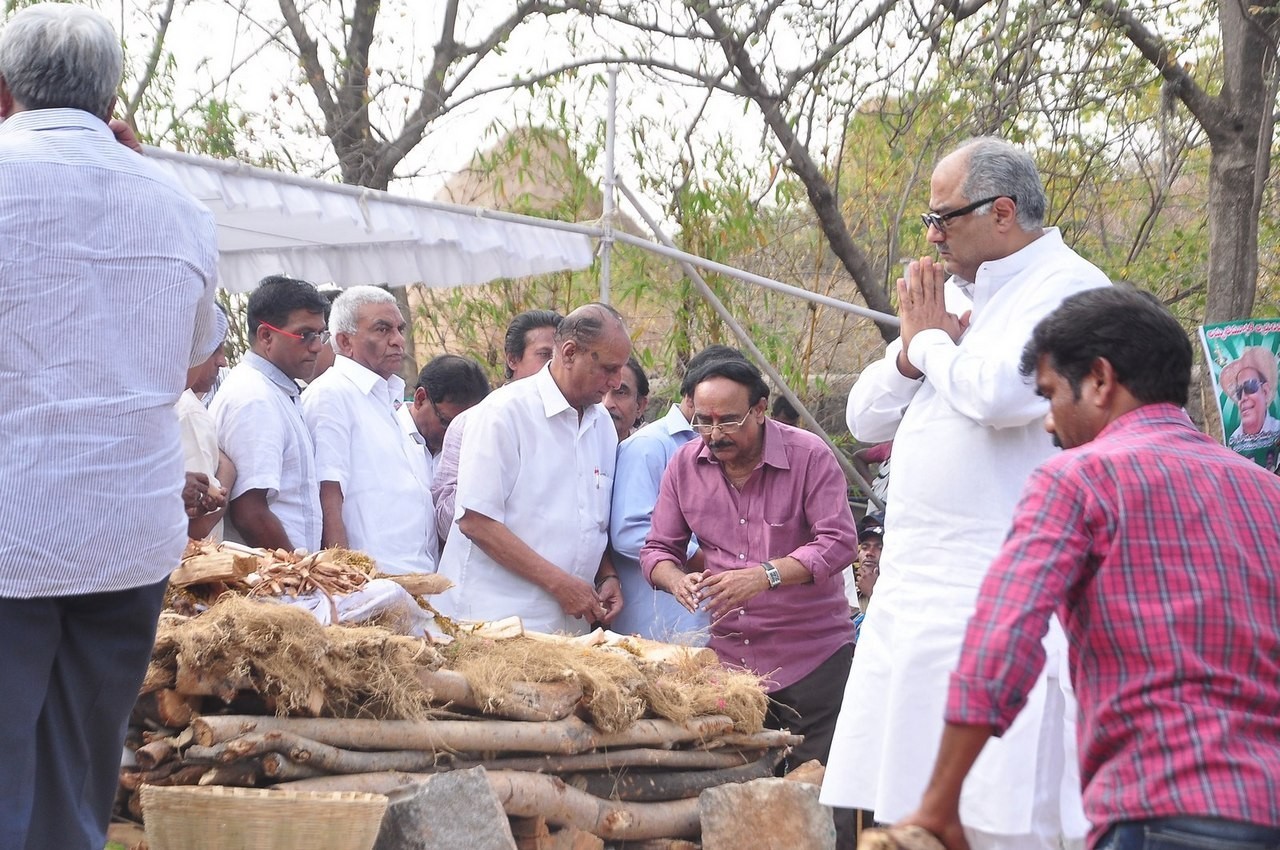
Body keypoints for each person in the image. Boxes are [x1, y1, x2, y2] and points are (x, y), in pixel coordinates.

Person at [898, 287, 1280, 850]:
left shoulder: (1077, 478)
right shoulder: (1267, 491)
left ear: (1100, 380)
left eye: (1051, 395)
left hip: (1159, 810)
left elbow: (1004, 635)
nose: (1050, 425)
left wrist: (939, 802)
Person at [822, 136, 1111, 850]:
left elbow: (1004, 397)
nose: (931, 235)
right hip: (916, 591)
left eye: (942, 217)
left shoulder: (1070, 287)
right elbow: (864, 414)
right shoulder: (951, 295)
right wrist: (913, 350)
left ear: (1003, 212)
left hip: (997, 587)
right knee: (907, 807)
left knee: (1000, 814)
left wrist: (929, 347)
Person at [0, 6, 220, 848]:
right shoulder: (175, 202)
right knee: (80, 768)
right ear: (111, 92)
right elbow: (197, 362)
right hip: (126, 527)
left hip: (14, 519)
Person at [641, 357, 857, 770]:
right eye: (703, 421)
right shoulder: (685, 464)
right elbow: (657, 550)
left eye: (729, 421)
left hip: (812, 658)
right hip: (730, 664)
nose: (715, 435)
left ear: (760, 409)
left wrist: (766, 576)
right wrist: (675, 581)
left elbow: (839, 542)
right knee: (736, 789)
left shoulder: (809, 455)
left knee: (816, 791)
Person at [435, 303, 629, 633]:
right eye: (609, 368)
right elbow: (476, 521)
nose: (616, 381)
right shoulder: (503, 412)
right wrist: (560, 584)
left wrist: (606, 574)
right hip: (494, 622)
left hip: (567, 628)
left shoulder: (602, 426)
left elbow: (591, 520)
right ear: (569, 353)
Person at [609, 345, 745, 642]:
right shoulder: (649, 446)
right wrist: (707, 559)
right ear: (691, 393)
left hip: (703, 623)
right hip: (655, 625)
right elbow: (630, 531)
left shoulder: (725, 447)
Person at [302, 286, 438, 574]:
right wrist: (345, 582)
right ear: (345, 341)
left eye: (400, 329)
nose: (398, 340)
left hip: (415, 578)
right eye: (382, 329)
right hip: (368, 582)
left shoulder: (387, 398)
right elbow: (328, 493)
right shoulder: (331, 394)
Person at [212, 275, 330, 552]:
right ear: (266, 336)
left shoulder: (277, 391)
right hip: (272, 582)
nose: (316, 347)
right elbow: (249, 511)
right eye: (305, 335)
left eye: (321, 334)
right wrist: (299, 574)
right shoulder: (255, 398)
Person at [431, 309, 562, 542]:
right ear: (512, 359)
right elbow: (443, 523)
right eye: (544, 355)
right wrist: (479, 478)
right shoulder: (473, 421)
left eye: (561, 356)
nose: (554, 366)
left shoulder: (577, 422)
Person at [178, 304, 235, 540]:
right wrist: (229, 472)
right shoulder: (187, 410)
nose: (222, 362)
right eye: (214, 350)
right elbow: (198, 529)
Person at [401, 354, 490, 481]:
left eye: (463, 428)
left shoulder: (471, 448)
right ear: (420, 399)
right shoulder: (386, 435)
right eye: (446, 423)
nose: (453, 435)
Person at [1220, 346, 1280, 453]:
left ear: (1265, 392)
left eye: (1250, 387)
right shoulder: (1233, 440)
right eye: (1239, 392)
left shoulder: (1278, 428)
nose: (1243, 398)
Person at [846, 513, 883, 639]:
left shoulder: (900, 593)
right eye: (865, 547)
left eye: (879, 548)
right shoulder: (846, 590)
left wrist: (872, 593)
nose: (869, 553)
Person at [604, 355, 650, 442]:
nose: (607, 404)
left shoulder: (648, 451)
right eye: (601, 391)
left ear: (639, 406)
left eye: (621, 393)